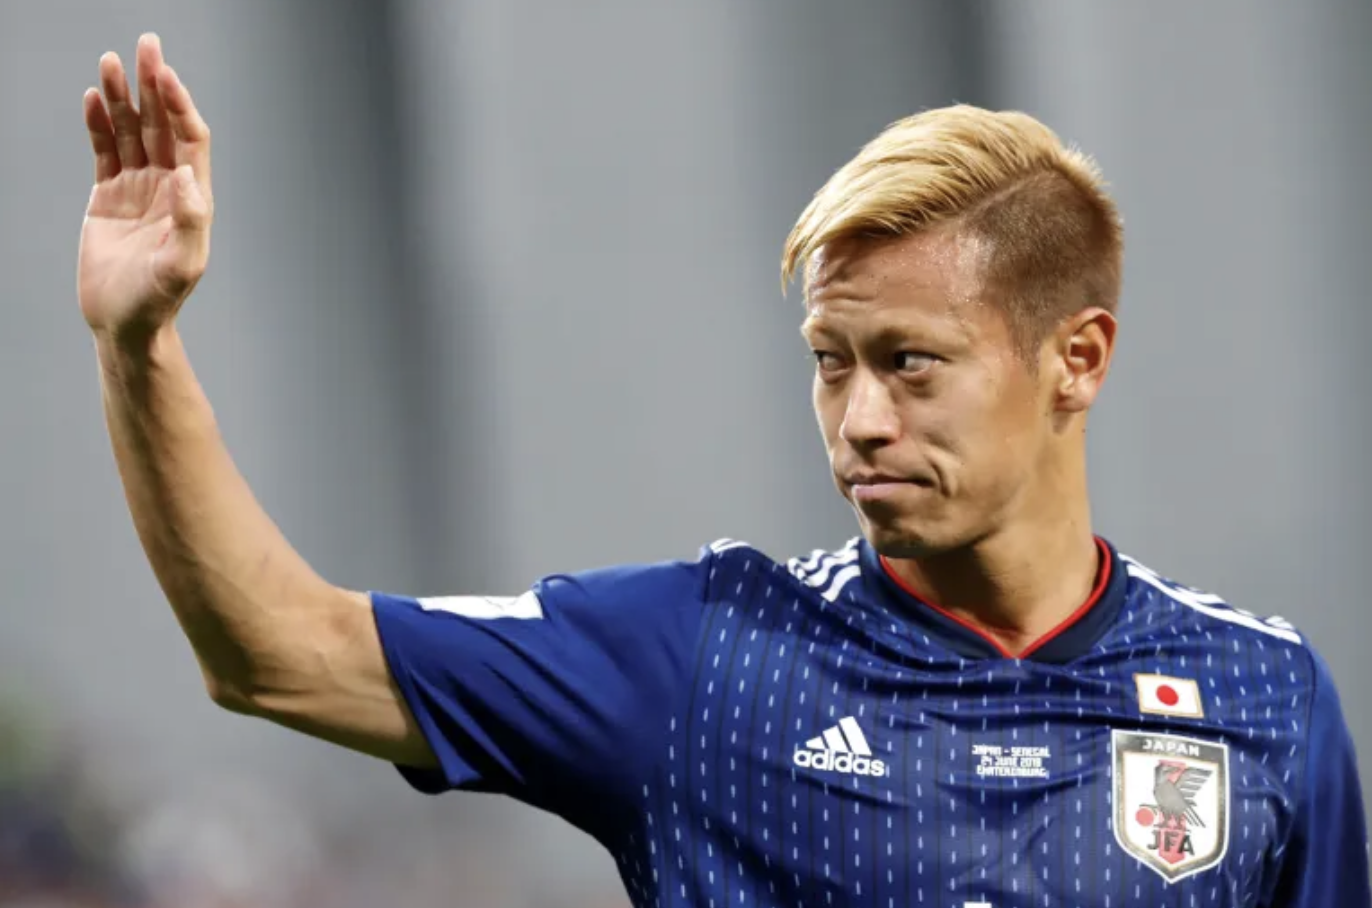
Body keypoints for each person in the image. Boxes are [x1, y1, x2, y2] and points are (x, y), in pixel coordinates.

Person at [77, 32, 1368, 908]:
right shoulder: (701, 659)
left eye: (912, 364)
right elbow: (276, 651)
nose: (860, 420)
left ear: (1075, 360)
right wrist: (141, 346)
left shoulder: (1263, 696)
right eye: (830, 363)